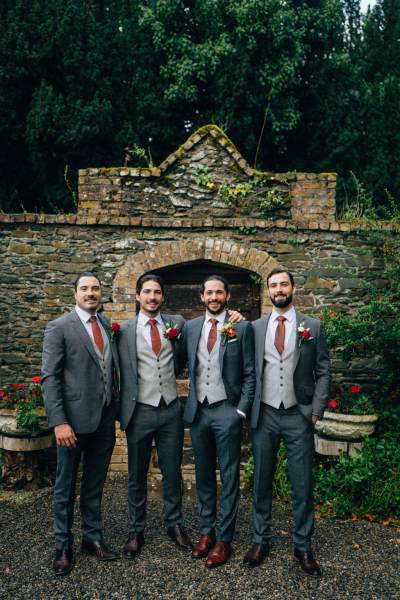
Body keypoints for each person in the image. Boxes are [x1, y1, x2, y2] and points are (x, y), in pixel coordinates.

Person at [243, 268, 330, 577]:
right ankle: (259, 540)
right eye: (273, 285)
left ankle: (303, 545)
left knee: (302, 483)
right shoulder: (254, 327)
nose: (278, 289)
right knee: (261, 480)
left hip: (298, 414)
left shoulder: (313, 327)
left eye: (283, 284)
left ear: (293, 288)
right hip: (264, 414)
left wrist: (316, 411)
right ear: (268, 291)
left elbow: (323, 371)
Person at [41, 272, 120, 576]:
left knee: (94, 483)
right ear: (74, 293)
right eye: (84, 289)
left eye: (95, 288)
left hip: (103, 420)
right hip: (71, 425)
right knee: (65, 486)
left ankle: (92, 537)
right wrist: (59, 422)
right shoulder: (59, 327)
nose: (90, 293)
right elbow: (50, 379)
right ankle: (63, 545)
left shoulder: (105, 324)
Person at [182, 275, 255, 568]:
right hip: (199, 412)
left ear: (227, 296)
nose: (214, 297)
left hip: (227, 410)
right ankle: (206, 532)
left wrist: (240, 411)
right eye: (208, 292)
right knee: (202, 475)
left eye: (218, 292)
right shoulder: (190, 327)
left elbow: (250, 373)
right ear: (201, 296)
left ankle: (225, 539)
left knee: (228, 476)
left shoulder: (241, 326)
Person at [117, 274, 192, 558]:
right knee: (137, 474)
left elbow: (183, 357)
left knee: (172, 471)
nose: (152, 297)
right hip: (139, 411)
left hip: (171, 409)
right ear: (137, 296)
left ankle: (174, 524)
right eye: (146, 292)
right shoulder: (123, 330)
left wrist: (234, 316)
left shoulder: (177, 324)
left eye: (157, 292)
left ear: (162, 297)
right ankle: (136, 531)